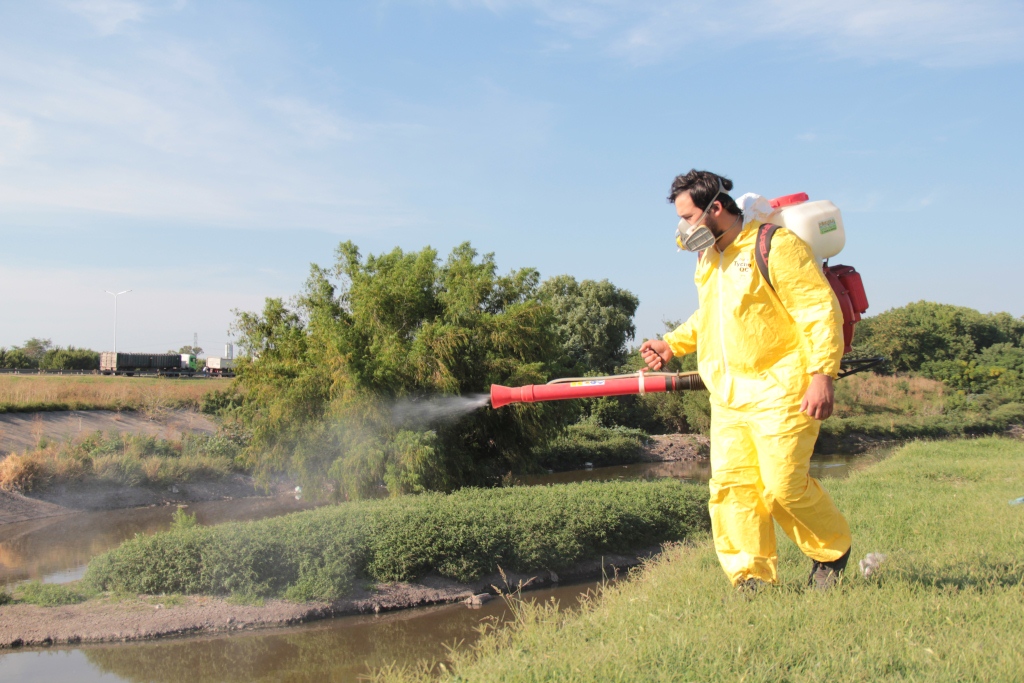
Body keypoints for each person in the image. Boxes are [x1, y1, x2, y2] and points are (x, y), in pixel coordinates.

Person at [640, 169, 852, 591]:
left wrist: (822, 374)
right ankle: (751, 577)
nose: (683, 229)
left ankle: (832, 553)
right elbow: (713, 317)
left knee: (782, 486)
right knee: (733, 489)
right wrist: (672, 344)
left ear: (715, 208)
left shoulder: (774, 245)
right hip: (729, 394)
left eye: (688, 217)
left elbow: (818, 309)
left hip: (783, 388)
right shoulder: (710, 259)